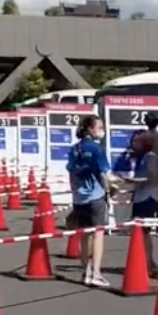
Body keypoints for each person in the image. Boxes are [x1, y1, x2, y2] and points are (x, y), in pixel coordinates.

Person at [67, 113, 112, 288]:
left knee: (84, 235)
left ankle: (85, 270)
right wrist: (111, 189)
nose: (102, 131)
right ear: (90, 129)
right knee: (98, 234)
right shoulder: (96, 149)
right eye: (99, 127)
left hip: (79, 198)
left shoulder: (74, 149)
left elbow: (71, 171)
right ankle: (96, 273)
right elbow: (104, 173)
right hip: (95, 196)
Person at [121, 129, 158, 276]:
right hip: (142, 196)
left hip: (148, 197)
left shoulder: (150, 157)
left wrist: (131, 181)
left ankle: (149, 263)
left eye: (137, 142)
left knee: (143, 231)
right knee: (140, 231)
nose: (134, 144)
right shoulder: (139, 157)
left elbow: (151, 177)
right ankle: (146, 262)